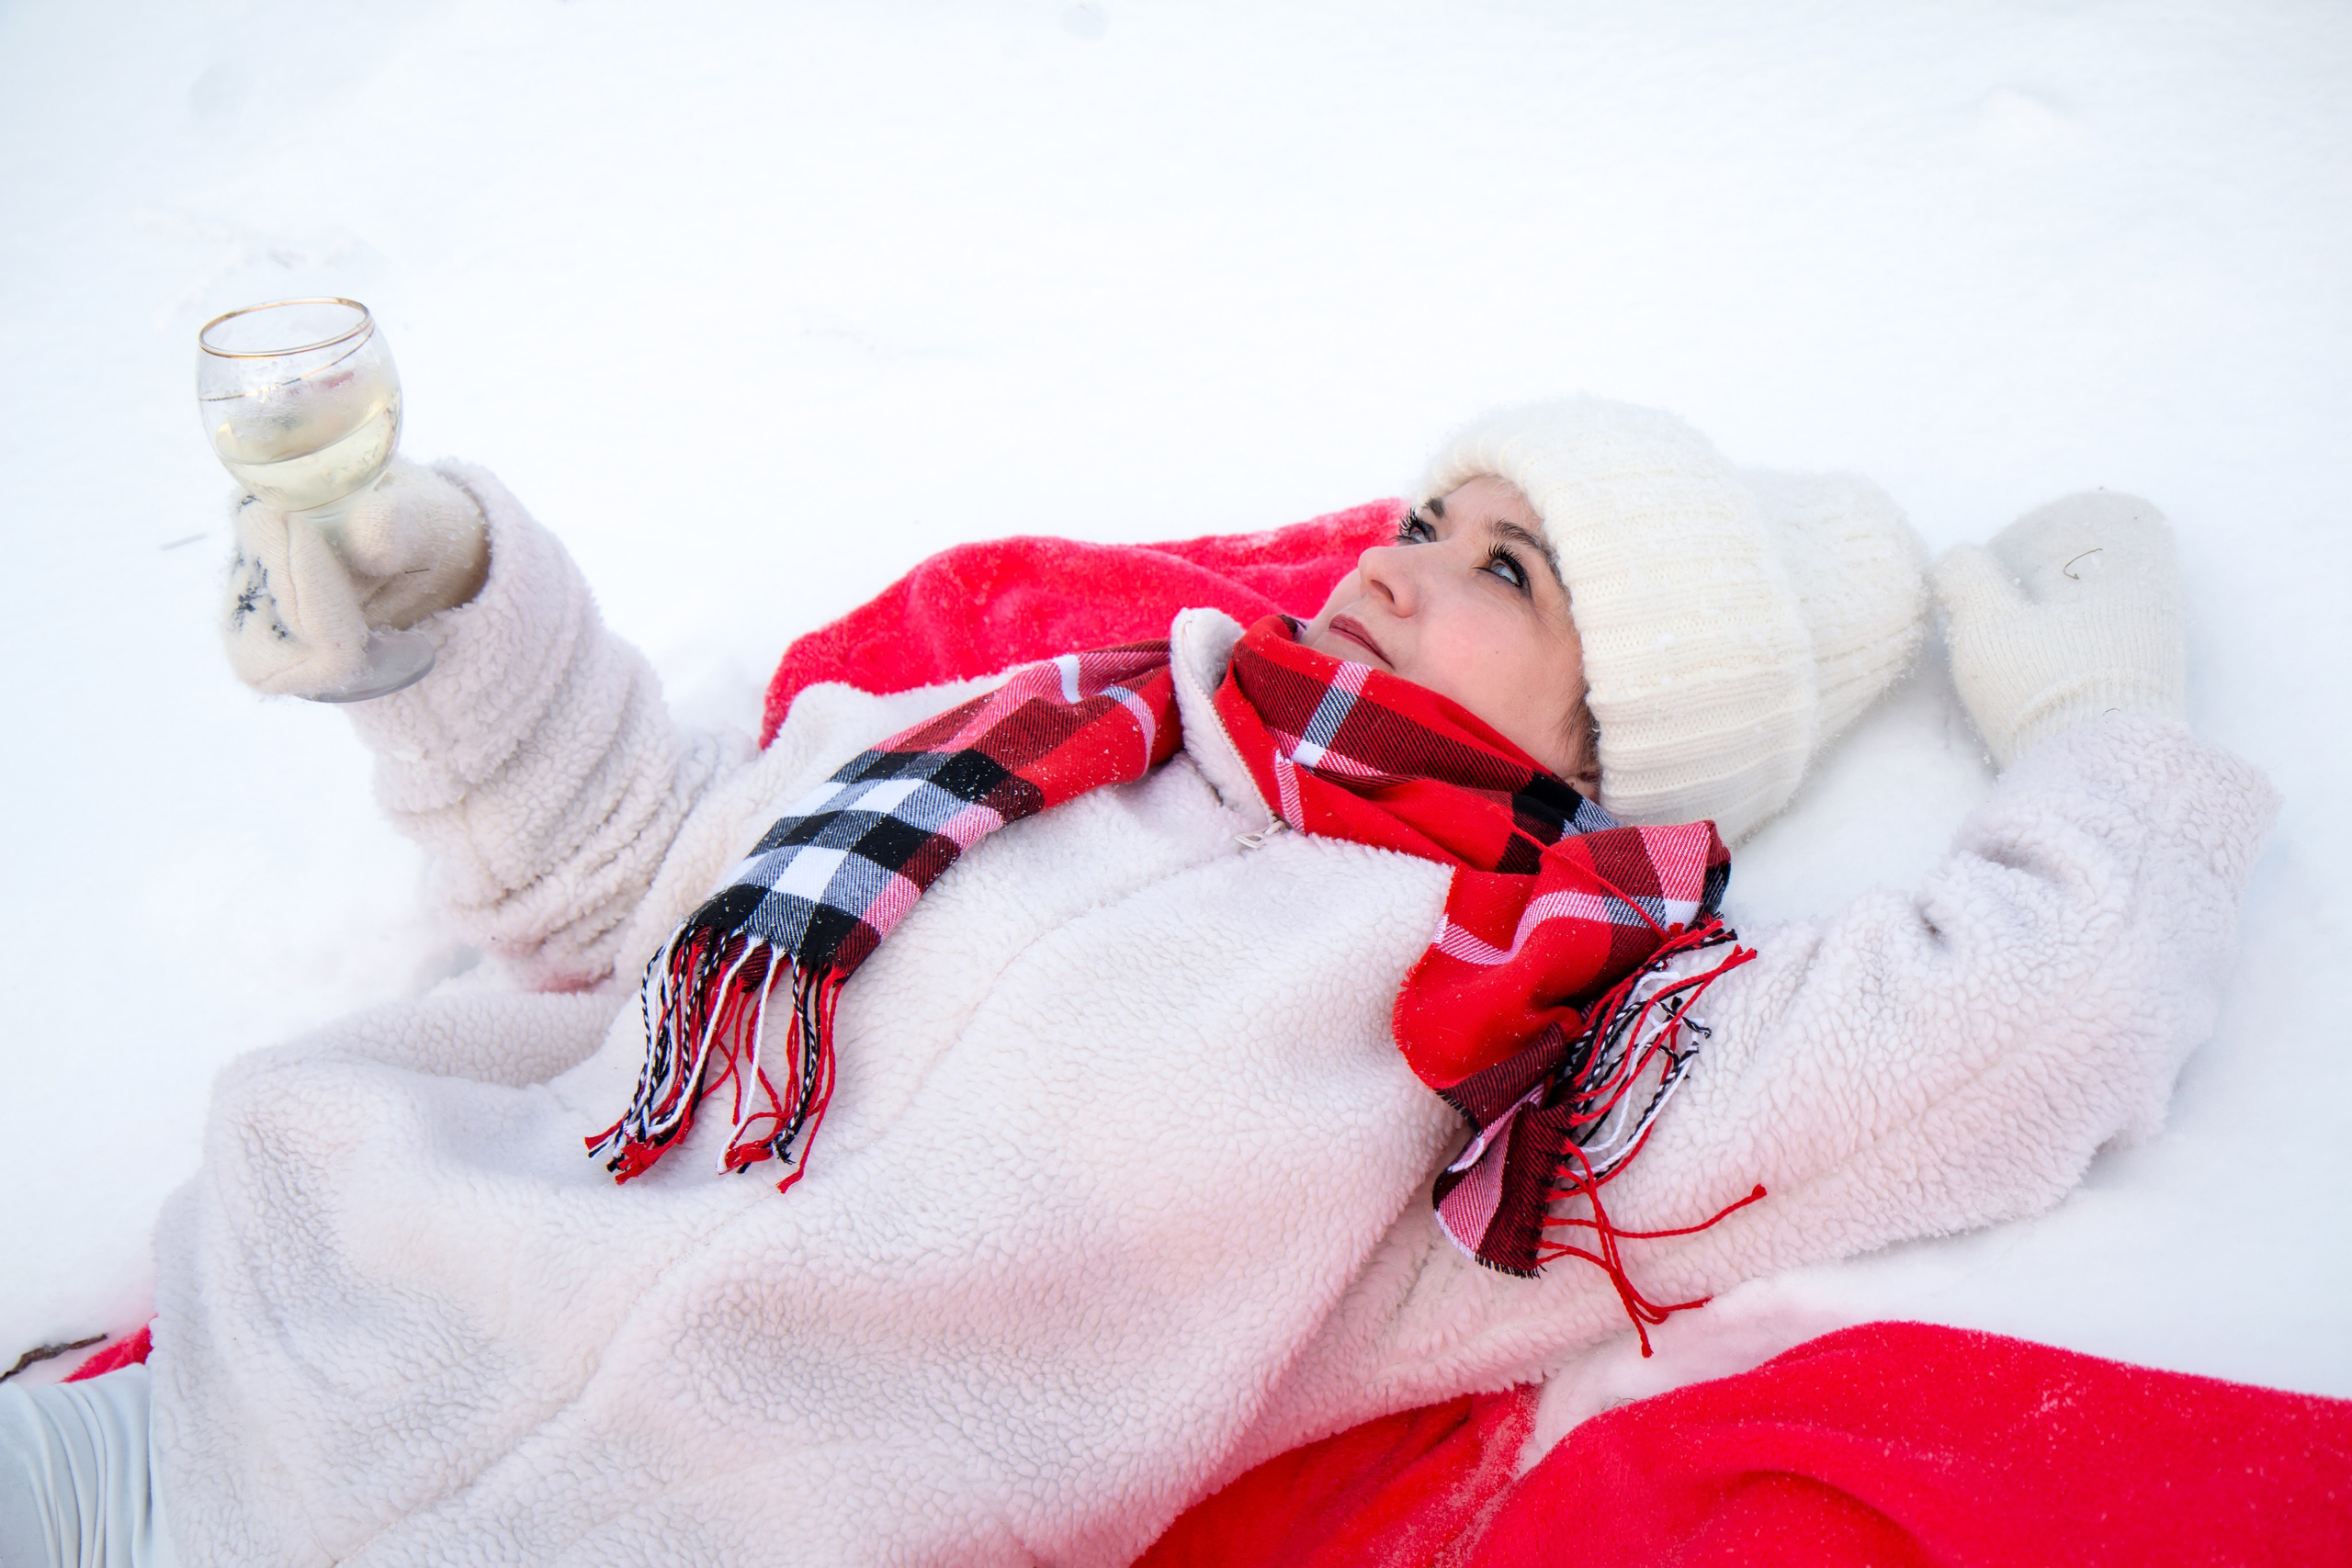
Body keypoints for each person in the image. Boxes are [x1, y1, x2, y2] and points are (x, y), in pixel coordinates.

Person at [0, 400, 2274, 1567]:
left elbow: (2025, 1017)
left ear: (1624, 731)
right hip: (194, 1397)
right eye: (1427, 511)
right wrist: (447, 625)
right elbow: (619, 876)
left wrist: (2098, 730)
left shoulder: (1518, 1038)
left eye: (1510, 570)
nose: (1401, 564)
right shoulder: (1027, 730)